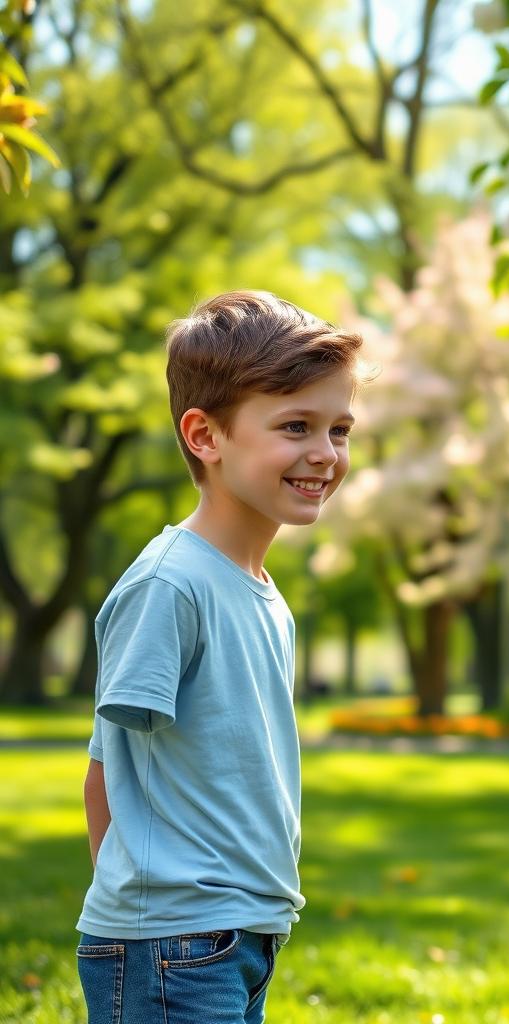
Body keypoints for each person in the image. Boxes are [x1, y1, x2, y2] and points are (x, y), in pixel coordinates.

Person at [76, 290, 362, 1024]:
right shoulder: (171, 584)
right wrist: (147, 911)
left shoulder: (260, 590)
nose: (326, 454)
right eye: (296, 425)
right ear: (206, 435)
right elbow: (107, 766)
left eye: (340, 429)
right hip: (174, 942)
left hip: (239, 934)